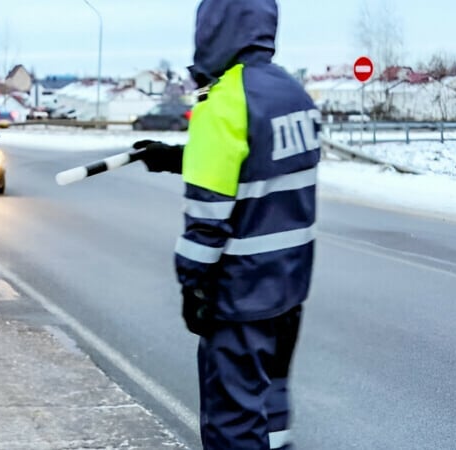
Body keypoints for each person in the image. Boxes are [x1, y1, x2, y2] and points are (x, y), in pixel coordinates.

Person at [133, 0, 321, 448]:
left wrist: (193, 287)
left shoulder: (222, 102)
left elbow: (208, 219)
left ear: (212, 28)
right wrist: (176, 157)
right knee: (272, 412)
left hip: (241, 299)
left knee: (232, 425)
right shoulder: (293, 93)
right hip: (289, 290)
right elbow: (258, 168)